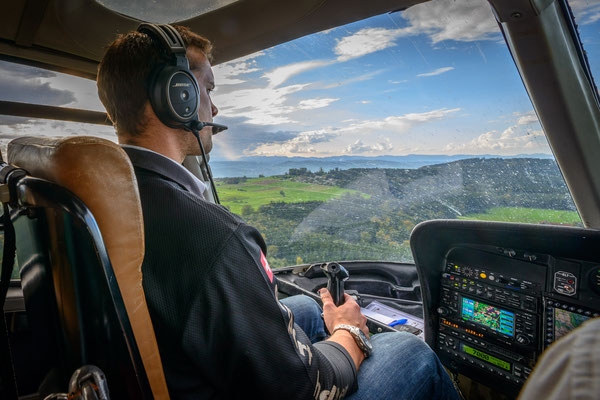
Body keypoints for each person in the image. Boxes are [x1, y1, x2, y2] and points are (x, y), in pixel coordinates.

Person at [97, 24, 460, 400]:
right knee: (411, 352)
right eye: (207, 88)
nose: (214, 107)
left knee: (304, 305)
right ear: (178, 96)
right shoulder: (212, 238)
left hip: (174, 370)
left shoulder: (109, 201)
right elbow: (302, 389)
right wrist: (348, 333)